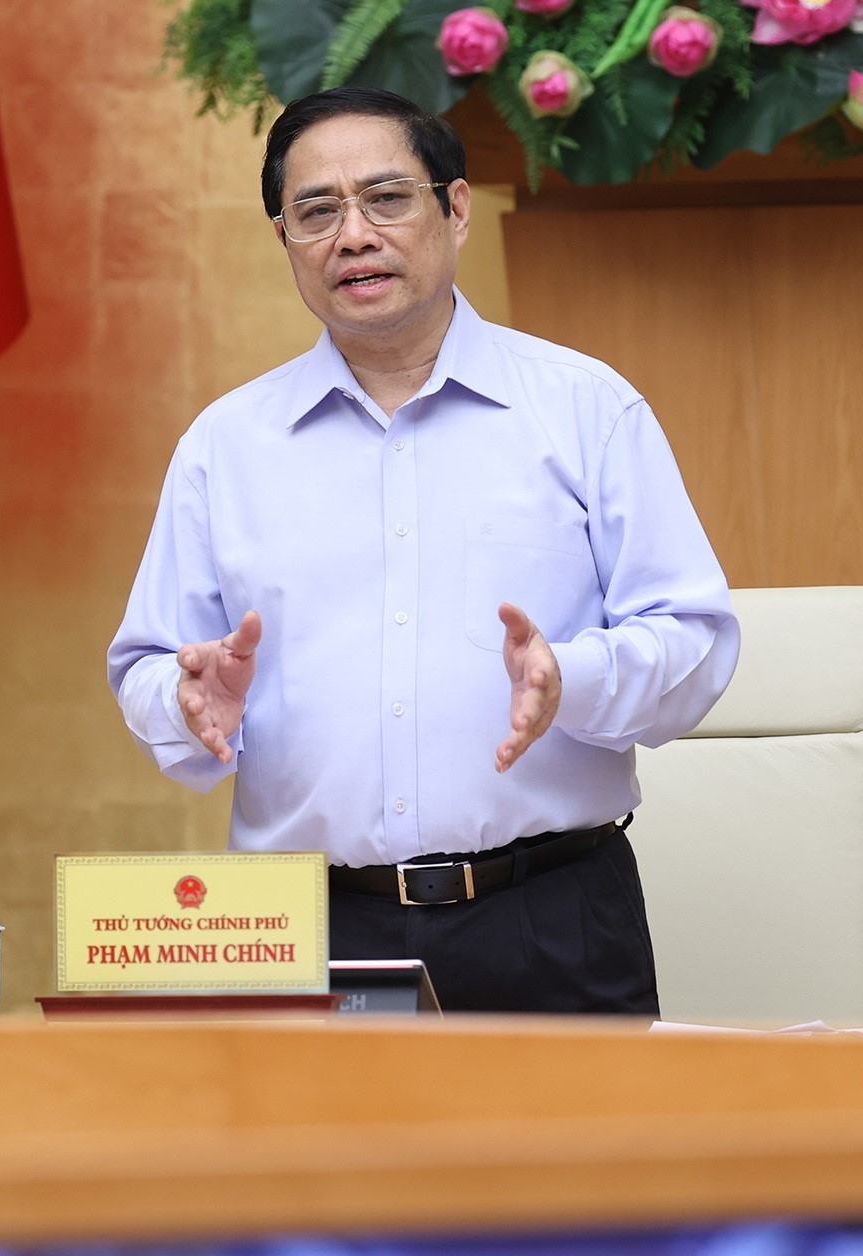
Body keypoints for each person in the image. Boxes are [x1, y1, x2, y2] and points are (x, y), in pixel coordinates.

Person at [106, 86, 738, 1013]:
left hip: (550, 915)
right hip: (305, 929)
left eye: (387, 198)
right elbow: (145, 668)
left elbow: (696, 641)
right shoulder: (225, 446)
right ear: (286, 239)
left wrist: (572, 676)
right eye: (317, 212)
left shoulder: (585, 408)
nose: (354, 236)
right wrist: (185, 696)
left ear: (457, 208)